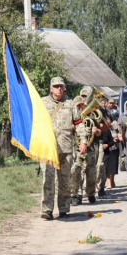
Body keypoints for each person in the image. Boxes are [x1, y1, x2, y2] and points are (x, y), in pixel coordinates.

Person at [39, 77, 79, 220]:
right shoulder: (42, 103)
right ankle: (47, 209)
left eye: (61, 86)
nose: (59, 89)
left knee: (64, 180)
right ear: (51, 88)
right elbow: (35, 121)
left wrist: (84, 141)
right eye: (56, 86)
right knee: (48, 179)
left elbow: (78, 122)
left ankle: (63, 208)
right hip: (48, 148)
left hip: (66, 147)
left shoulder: (70, 103)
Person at [72, 86, 102, 205]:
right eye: (78, 106)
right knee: (76, 172)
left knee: (91, 173)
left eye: (81, 105)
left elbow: (100, 132)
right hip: (76, 148)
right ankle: (75, 195)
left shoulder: (90, 117)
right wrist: (74, 127)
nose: (80, 108)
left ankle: (90, 194)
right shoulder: (72, 119)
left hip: (90, 149)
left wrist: (96, 131)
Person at [101, 121, 123, 190]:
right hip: (106, 149)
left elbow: (120, 135)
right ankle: (108, 183)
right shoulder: (103, 127)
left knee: (113, 166)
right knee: (106, 166)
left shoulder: (115, 124)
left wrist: (118, 139)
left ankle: (112, 180)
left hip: (114, 147)